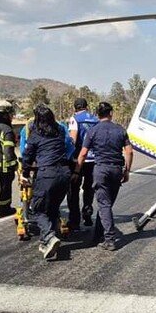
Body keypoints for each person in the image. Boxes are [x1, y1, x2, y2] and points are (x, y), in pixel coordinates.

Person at [74, 102, 133, 251]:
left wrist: (76, 171)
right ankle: (98, 235)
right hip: (116, 170)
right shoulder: (120, 130)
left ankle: (109, 239)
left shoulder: (93, 131)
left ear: (98, 114)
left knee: (104, 205)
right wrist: (127, 170)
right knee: (106, 204)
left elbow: (83, 153)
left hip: (101, 170)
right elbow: (129, 152)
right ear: (111, 113)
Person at [21, 104, 73, 260]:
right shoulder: (61, 130)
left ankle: (49, 237)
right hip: (64, 174)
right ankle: (47, 241)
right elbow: (69, 147)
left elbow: (27, 156)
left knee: (37, 210)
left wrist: (24, 174)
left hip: (47, 174)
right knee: (52, 208)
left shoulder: (35, 134)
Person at [67, 98, 99, 230]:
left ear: (75, 107)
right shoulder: (95, 119)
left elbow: (73, 140)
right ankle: (87, 213)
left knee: (73, 190)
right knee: (89, 188)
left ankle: (74, 220)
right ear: (86, 106)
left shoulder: (74, 119)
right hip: (93, 159)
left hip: (78, 159)